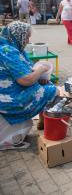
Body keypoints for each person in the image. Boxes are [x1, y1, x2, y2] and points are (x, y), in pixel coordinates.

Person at [0, 21, 59, 151]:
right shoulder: (7, 51)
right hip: (9, 98)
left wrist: (38, 77)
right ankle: (49, 127)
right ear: (18, 35)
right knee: (54, 91)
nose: (27, 41)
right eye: (26, 37)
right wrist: (41, 70)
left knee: (47, 85)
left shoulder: (10, 46)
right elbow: (25, 80)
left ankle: (43, 124)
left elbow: (25, 72)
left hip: (10, 92)